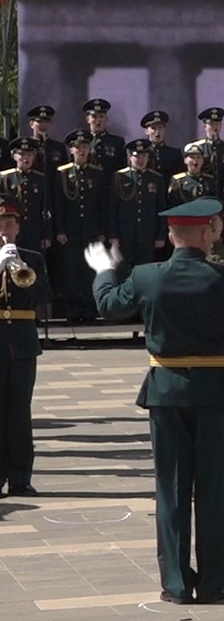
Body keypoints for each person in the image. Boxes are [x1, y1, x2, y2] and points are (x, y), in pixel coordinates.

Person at [90, 196, 224, 605]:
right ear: (206, 234)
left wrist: (103, 272)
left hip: (166, 393)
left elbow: (108, 305)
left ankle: (177, 584)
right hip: (215, 394)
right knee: (214, 490)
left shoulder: (147, 276)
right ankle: (214, 581)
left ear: (171, 236)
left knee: (172, 489)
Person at [0, 198, 50, 497]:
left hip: (21, 339)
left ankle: (20, 477)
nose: (4, 229)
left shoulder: (33, 258)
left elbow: (43, 295)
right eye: (0, 224)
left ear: (18, 227)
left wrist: (22, 268)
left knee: (19, 411)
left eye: (8, 223)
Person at [52, 131, 109, 322]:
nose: (81, 151)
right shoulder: (63, 173)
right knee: (71, 274)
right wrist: (59, 230)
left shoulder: (97, 173)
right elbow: (58, 205)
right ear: (71, 150)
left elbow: (102, 205)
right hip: (70, 232)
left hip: (91, 231)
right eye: (78, 147)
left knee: (90, 272)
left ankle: (89, 310)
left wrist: (102, 230)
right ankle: (73, 311)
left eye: (84, 147)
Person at [110, 139, 168, 268]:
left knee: (144, 270)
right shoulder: (119, 177)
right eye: (137, 156)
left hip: (147, 234)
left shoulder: (156, 178)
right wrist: (113, 236)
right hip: (125, 234)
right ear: (130, 157)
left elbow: (161, 208)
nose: (141, 160)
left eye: (144, 156)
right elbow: (112, 208)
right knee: (123, 271)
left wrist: (161, 235)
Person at [80, 98, 127, 173]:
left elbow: (122, 170)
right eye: (94, 117)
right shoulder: (81, 142)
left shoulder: (117, 142)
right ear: (88, 120)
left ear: (106, 119)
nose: (98, 121)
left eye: (101, 116)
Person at [142, 111, 185, 179]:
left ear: (165, 130)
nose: (157, 131)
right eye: (153, 128)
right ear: (146, 131)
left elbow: (181, 177)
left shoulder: (174, 154)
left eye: (160, 127)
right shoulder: (142, 154)